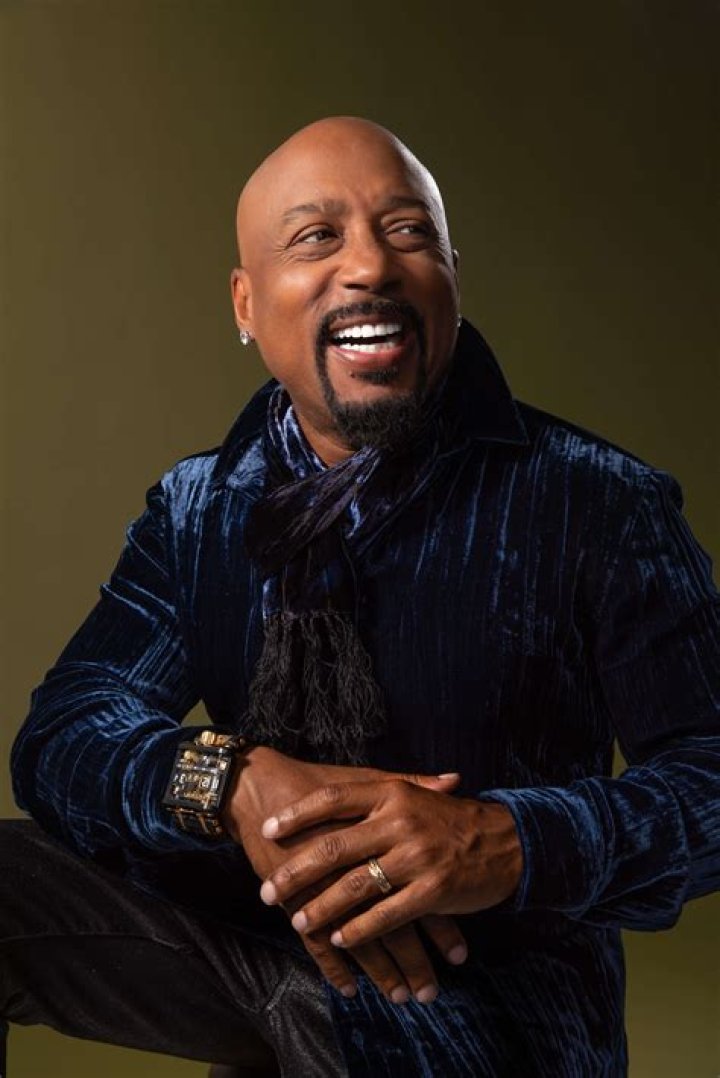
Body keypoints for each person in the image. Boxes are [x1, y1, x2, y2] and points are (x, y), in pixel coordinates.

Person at [4, 116, 719, 1078]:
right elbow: (63, 733)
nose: (372, 267)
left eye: (408, 231)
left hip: (480, 1015)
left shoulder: (595, 501)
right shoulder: (197, 507)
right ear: (246, 303)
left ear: (451, 277)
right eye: (317, 237)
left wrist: (505, 843)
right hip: (252, 938)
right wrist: (231, 783)